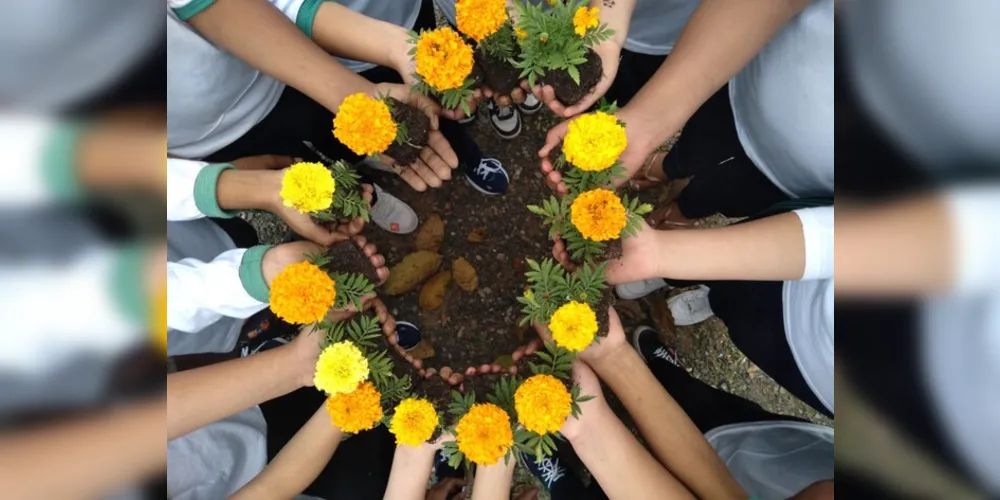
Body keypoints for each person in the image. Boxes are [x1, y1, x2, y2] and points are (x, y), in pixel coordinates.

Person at [166, 0, 451, 235]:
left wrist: (354, 94)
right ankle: (360, 196)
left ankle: (365, 175)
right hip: (199, 143)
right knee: (299, 177)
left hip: (270, 71)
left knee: (336, 134)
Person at [538, 0, 833, 224]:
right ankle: (666, 169)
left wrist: (645, 124)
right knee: (699, 141)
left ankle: (675, 197)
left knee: (727, 190)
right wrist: (646, 122)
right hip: (748, 80)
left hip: (807, 174)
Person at [556, 205, 834, 417]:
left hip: (816, 372)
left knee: (745, 327)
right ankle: (673, 268)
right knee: (734, 271)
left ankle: (713, 299)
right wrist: (659, 252)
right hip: (818, 278)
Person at [529, 309, 834, 500]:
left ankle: (560, 481)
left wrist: (587, 428)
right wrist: (614, 358)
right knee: (702, 404)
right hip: (763, 447)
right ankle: (665, 370)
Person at [307, 0, 513, 196]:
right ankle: (468, 156)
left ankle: (464, 125)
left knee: (434, 98)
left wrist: (401, 48)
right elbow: (288, 9)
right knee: (424, 114)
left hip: (409, 12)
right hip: (346, 52)